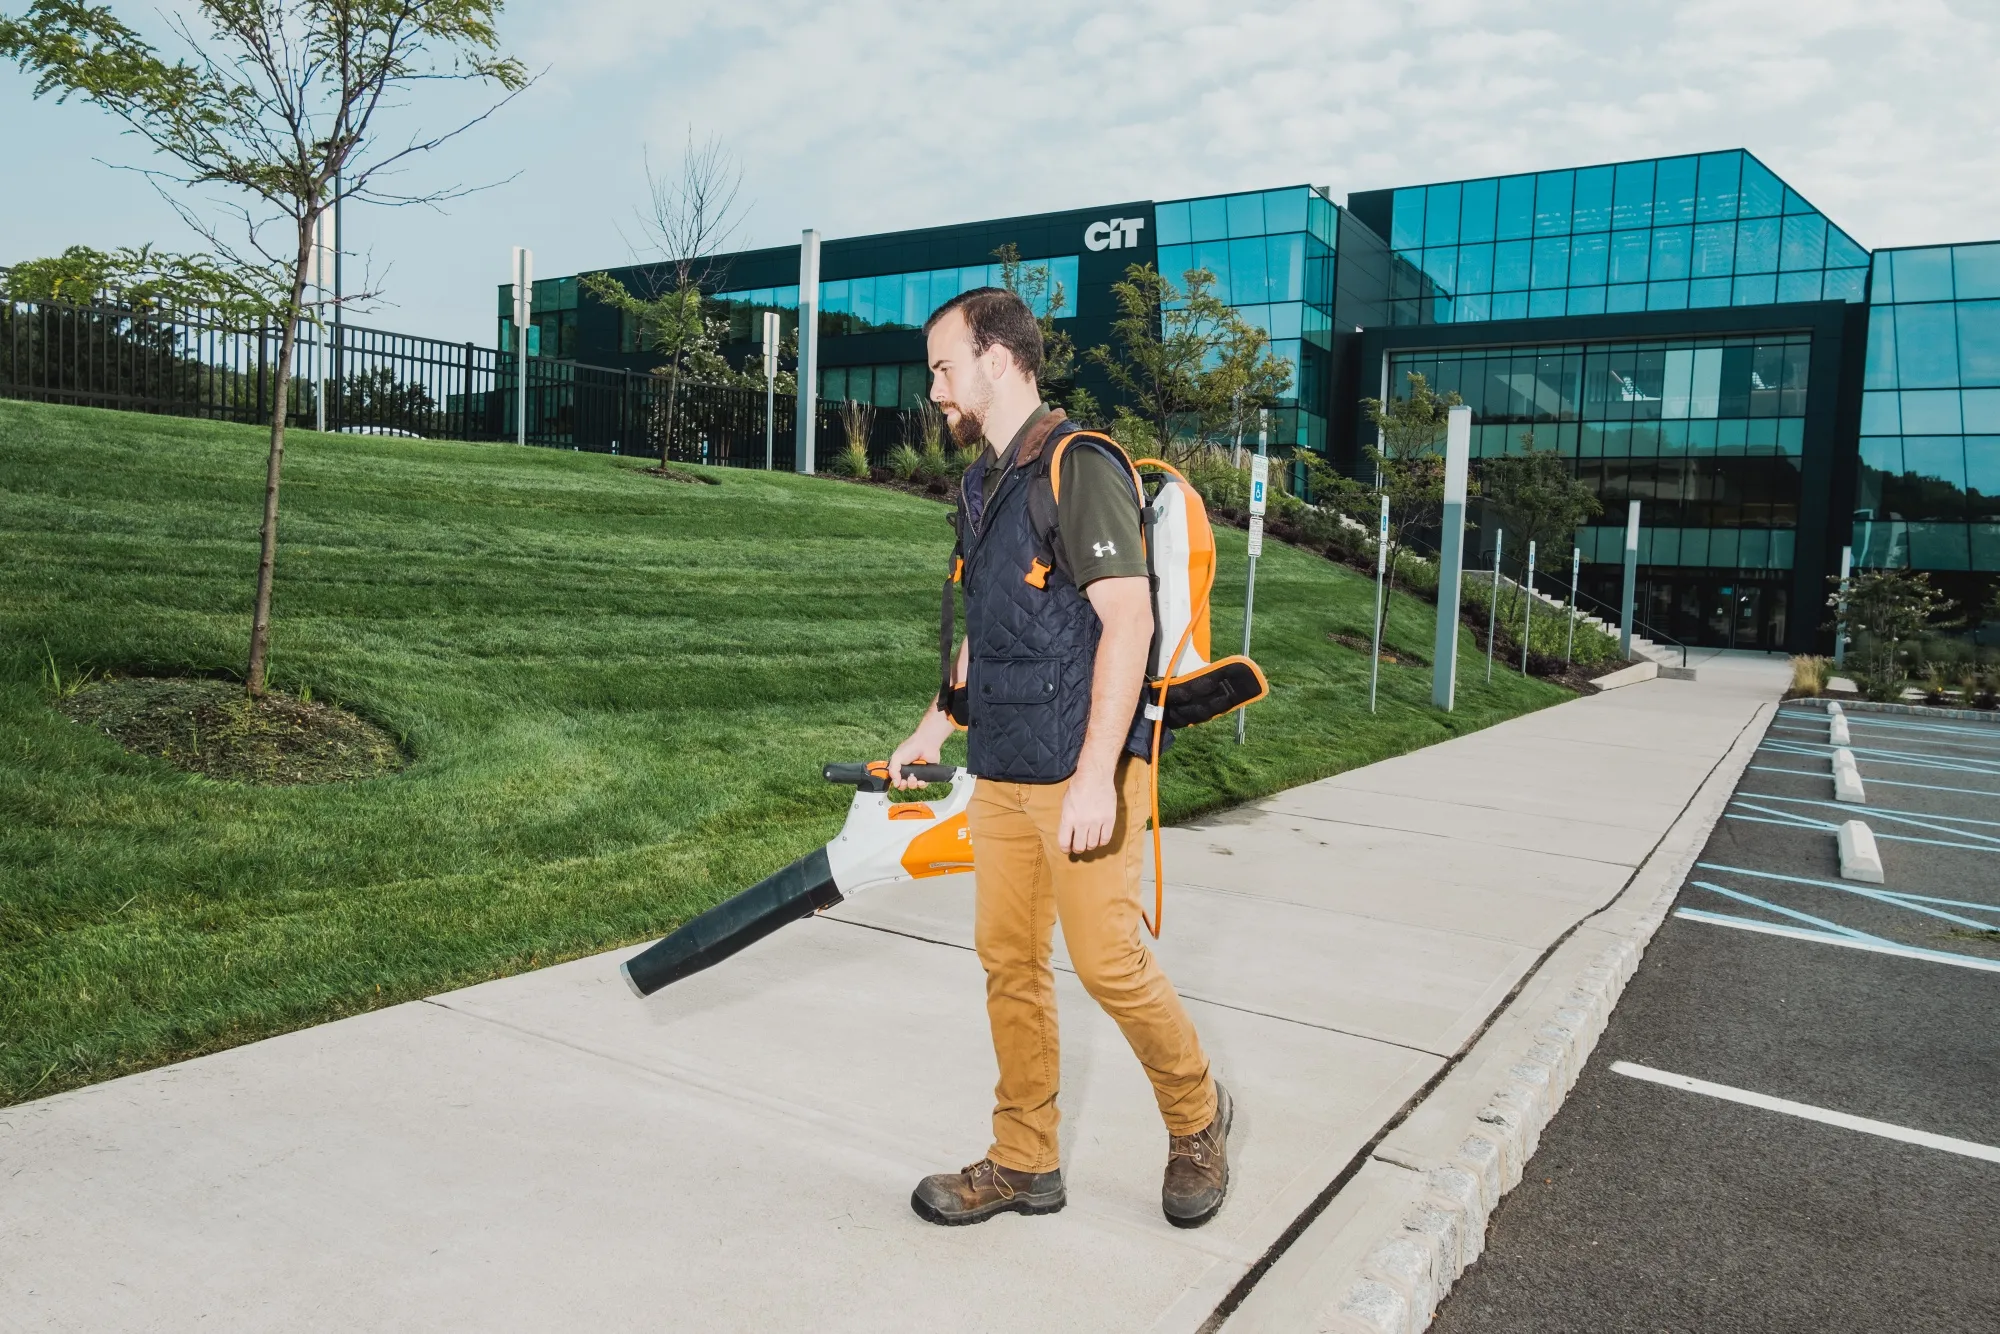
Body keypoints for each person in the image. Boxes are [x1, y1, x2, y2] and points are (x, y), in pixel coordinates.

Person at [889, 287, 1230, 1230]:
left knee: (1109, 963)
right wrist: (936, 724)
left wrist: (1093, 777)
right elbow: (995, 628)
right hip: (1003, 767)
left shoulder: (1078, 467)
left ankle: (1198, 1118)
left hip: (1085, 772)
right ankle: (1024, 1160)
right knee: (1009, 964)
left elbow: (1129, 619)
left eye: (945, 367)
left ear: (999, 362)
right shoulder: (983, 481)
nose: (936, 389)